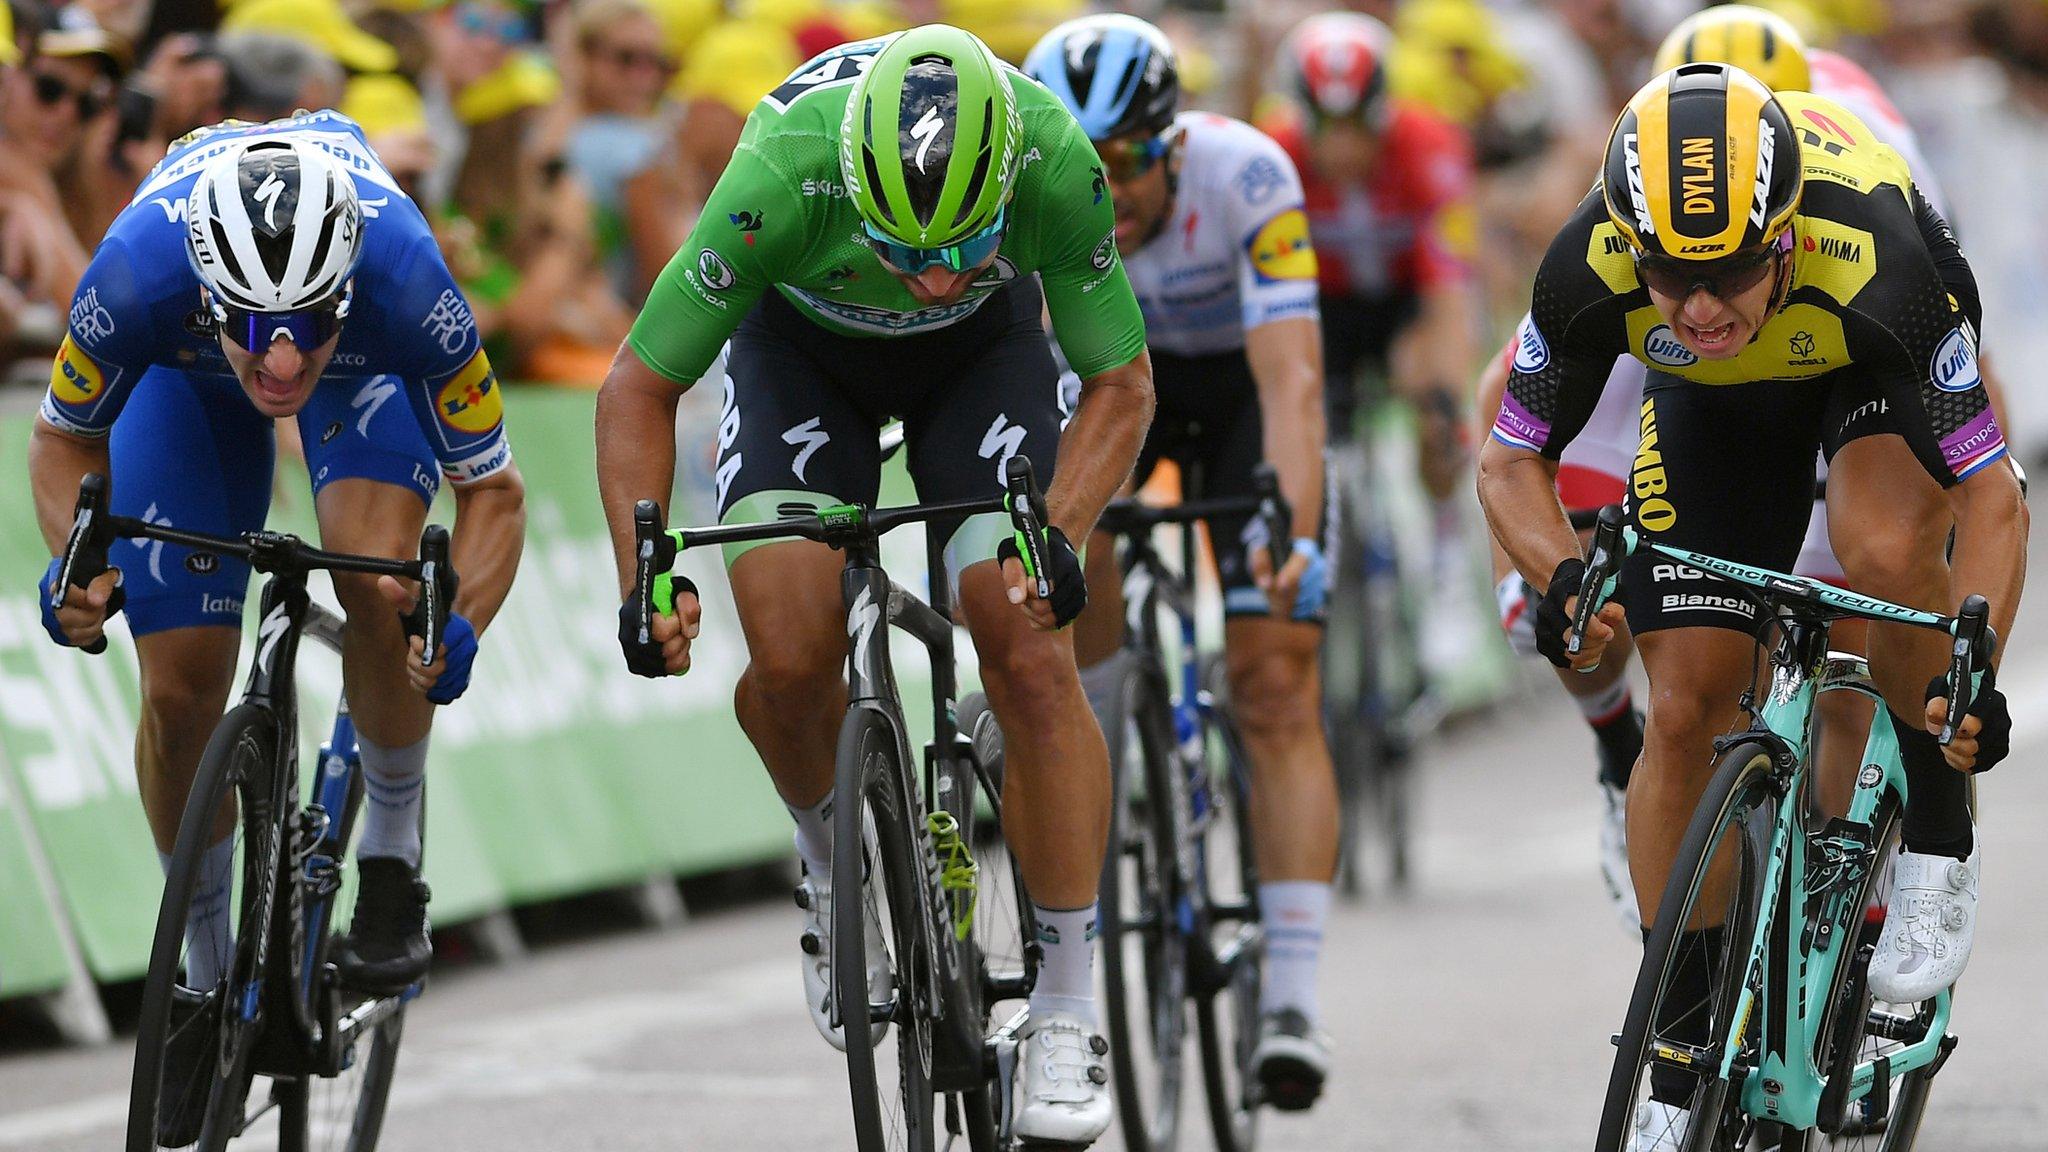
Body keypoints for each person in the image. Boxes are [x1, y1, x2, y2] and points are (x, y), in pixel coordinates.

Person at [594, 26, 1152, 1145]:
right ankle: (828, 865)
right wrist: (643, 575)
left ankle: (1066, 1008)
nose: (936, 275)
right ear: (854, 191)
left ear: (1007, 191)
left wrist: (1060, 532)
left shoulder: (1051, 159)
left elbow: (1118, 382)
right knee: (791, 656)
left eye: (965, 245)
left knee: (1028, 641)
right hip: (800, 352)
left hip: (979, 360)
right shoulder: (779, 174)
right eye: (908, 252)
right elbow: (638, 385)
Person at [1477, 63, 2025, 1152]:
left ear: (1780, 236)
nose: (1696, 305)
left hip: (1860, 365)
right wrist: (1561, 580)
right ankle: (1674, 1049)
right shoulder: (1587, 265)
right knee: (1681, 709)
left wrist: (1973, 676)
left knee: (1878, 553)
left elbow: (1991, 495)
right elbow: (1507, 467)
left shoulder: (1881, 259)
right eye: (1668, 275)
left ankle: (1932, 836)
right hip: (1712, 405)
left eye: (1726, 271)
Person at [29, 110, 526, 1143]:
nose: (286, 360)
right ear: (211, 292)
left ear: (345, 289)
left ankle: (391, 844)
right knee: (178, 688)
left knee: (383, 583)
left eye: (308, 321)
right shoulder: (133, 276)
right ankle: (204, 986)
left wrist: (457, 618)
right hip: (181, 376)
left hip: (373, 371)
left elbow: (496, 495)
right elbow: (63, 442)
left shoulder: (403, 280)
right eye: (256, 325)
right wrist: (74, 568)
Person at [1024, 13, 1338, 1111]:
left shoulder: (1246, 174)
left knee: (1272, 678)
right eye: (1080, 167)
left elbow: (1293, 383)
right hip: (1118, 405)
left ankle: (1290, 995)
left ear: (1169, 147)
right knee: (1074, 569)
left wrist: (1290, 531)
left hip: (1239, 400)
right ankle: (1101, 772)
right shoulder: (1032, 202)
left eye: (1121, 166)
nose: (1101, 192)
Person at [1257, 11, 1487, 676]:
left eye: (1359, 124)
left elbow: (1449, 288)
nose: (1344, 146)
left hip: (1403, 303)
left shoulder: (1429, 145)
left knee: (1432, 393)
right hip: (1321, 307)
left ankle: (1445, 554)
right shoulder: (1276, 156)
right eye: (1328, 126)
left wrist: (1441, 394)